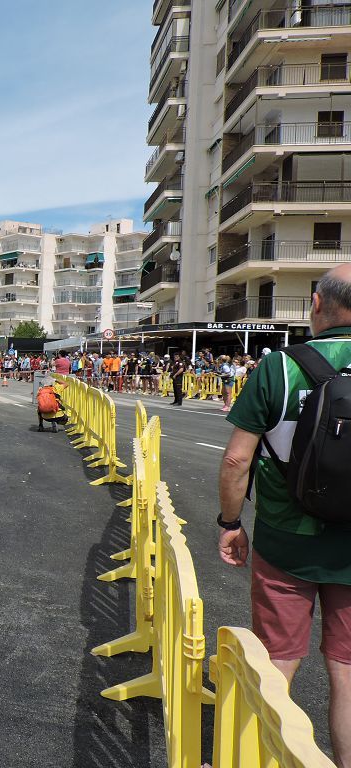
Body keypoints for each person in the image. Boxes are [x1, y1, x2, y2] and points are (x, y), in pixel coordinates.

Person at [217, 265, 351, 767]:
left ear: (316, 305)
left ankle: (258, 759)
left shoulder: (278, 368)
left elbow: (237, 460)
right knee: (347, 669)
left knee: (277, 662)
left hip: (286, 539)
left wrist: (230, 524)